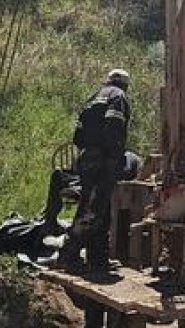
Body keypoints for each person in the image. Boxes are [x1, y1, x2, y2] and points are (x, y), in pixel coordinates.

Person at [57, 69, 131, 274]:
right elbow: (114, 127)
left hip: (87, 158)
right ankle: (69, 255)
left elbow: (78, 136)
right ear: (125, 84)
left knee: (101, 210)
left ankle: (98, 259)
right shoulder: (118, 97)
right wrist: (114, 156)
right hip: (102, 161)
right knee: (92, 210)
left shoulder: (94, 97)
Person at [42, 149, 143, 235]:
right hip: (85, 180)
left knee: (97, 185)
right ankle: (50, 221)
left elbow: (128, 176)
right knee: (58, 175)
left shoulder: (126, 159)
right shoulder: (90, 153)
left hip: (110, 186)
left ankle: (78, 190)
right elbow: (78, 169)